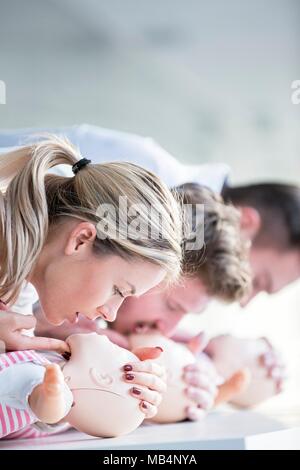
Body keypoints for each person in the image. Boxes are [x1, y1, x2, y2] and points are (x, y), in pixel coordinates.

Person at [0, 135, 183, 438]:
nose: (109, 314)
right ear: (81, 240)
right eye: (118, 290)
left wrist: (97, 390)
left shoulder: (19, 287)